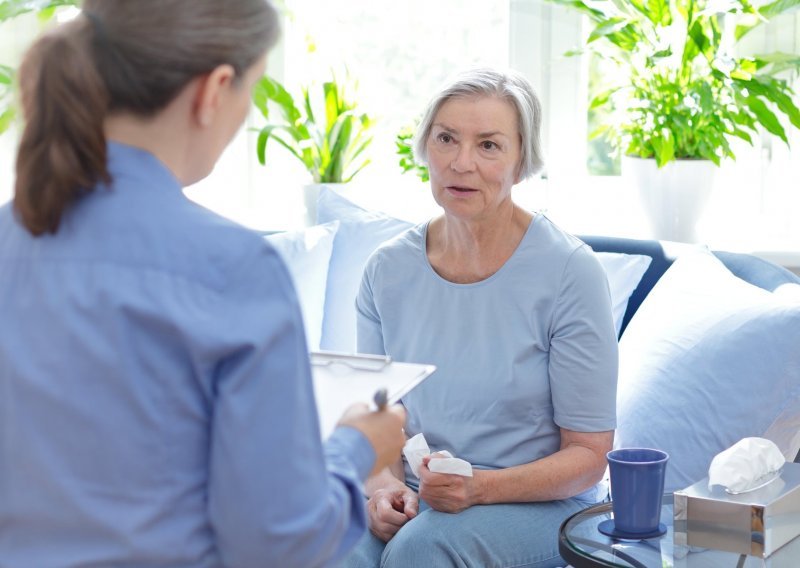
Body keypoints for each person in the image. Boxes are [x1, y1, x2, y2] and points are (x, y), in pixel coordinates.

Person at [0, 2, 405, 567]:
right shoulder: (234, 268)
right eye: (253, 89)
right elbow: (278, 539)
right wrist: (358, 447)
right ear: (214, 89)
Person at [341, 68, 618, 568]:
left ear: (521, 161)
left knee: (421, 549)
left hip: (539, 503)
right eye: (446, 139)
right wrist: (382, 492)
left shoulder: (570, 272)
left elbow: (588, 455)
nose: (461, 163)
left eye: (489, 146)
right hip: (424, 492)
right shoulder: (387, 270)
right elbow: (377, 423)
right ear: (426, 147)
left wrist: (481, 488)